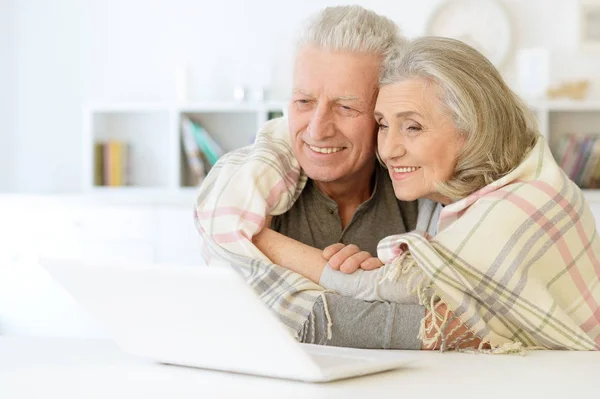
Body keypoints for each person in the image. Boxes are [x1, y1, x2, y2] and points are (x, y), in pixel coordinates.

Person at [258, 36, 600, 350]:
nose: (388, 150)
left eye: (413, 127)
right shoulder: (450, 199)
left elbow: (387, 288)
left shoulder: (521, 204)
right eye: (383, 125)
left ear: (473, 126)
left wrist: (254, 239)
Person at [195, 6, 478, 350]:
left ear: (384, 113)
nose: (317, 129)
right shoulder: (243, 190)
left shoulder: (424, 191)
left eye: (346, 107)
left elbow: (469, 321)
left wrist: (271, 248)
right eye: (303, 101)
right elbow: (240, 315)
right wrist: (391, 309)